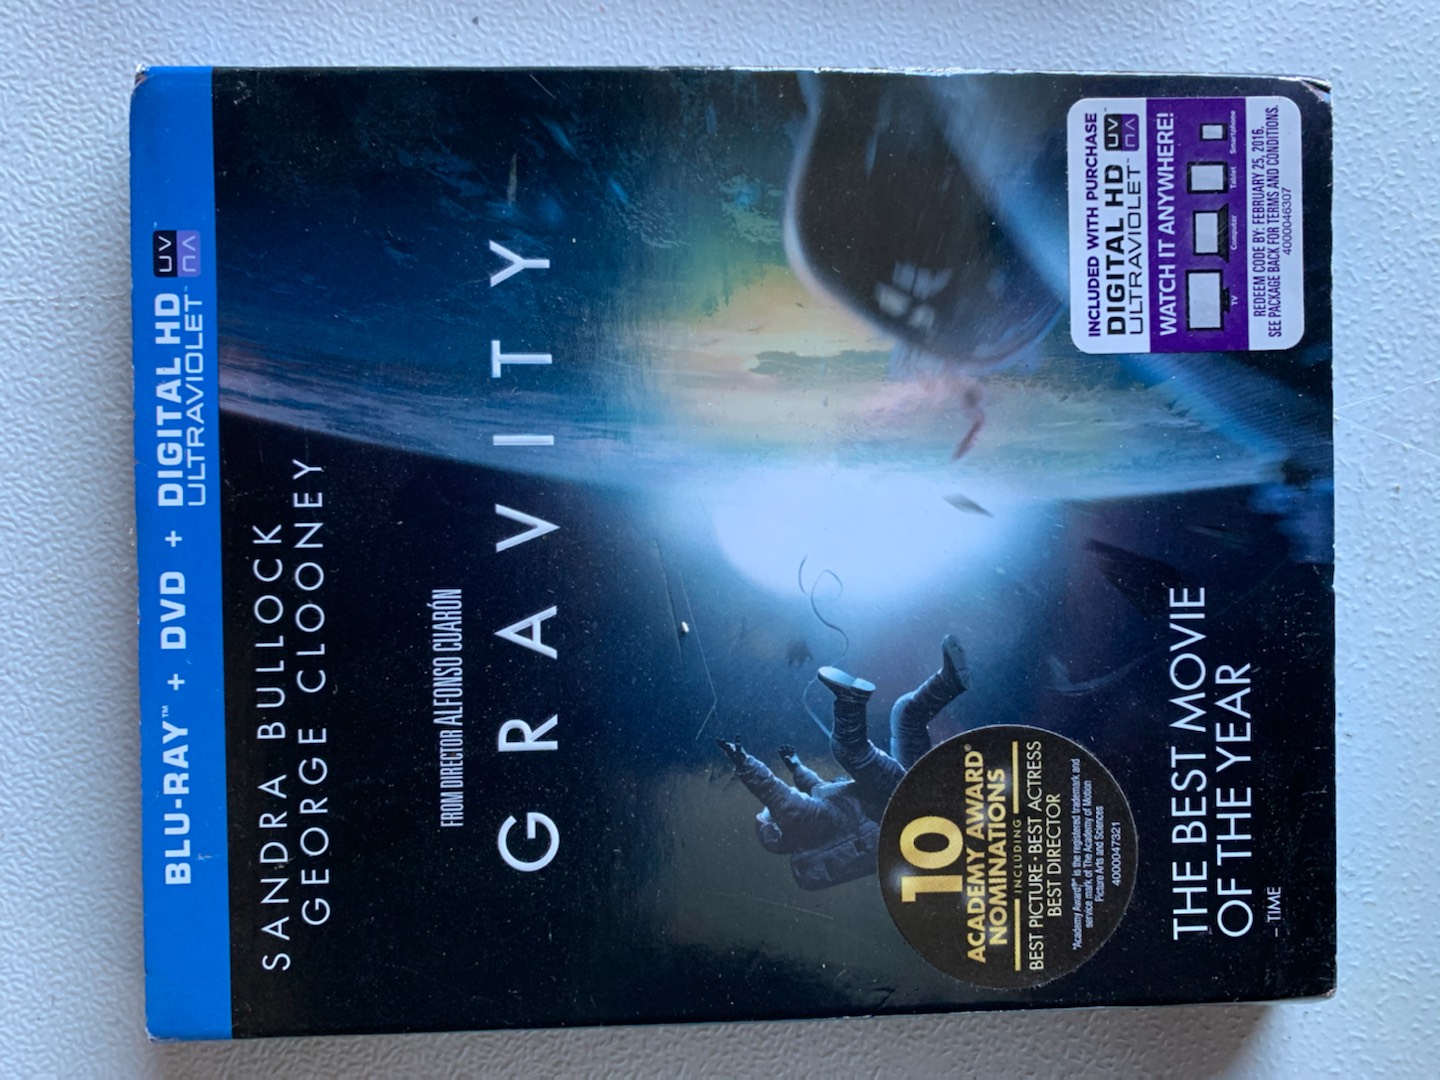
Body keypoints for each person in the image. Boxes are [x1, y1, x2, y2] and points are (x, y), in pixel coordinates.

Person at [715, 635, 970, 889]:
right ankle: (850, 700)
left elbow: (815, 791)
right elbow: (779, 797)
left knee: (906, 714)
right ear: (784, 823)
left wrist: (796, 767)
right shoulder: (811, 825)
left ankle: (950, 681)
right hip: (892, 807)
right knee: (851, 752)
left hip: (899, 808)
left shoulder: (823, 828)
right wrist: (745, 764)